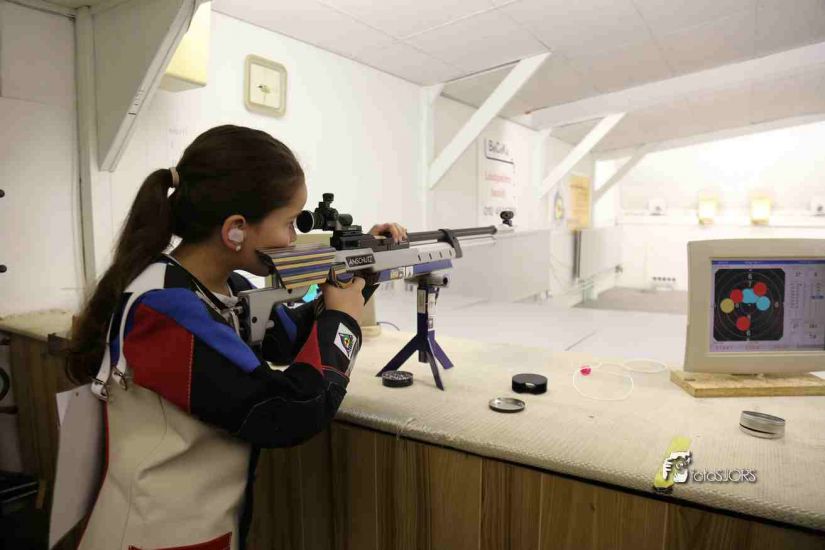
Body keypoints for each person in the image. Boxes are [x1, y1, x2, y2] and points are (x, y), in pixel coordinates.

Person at [66, 125, 407, 550]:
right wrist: (342, 320)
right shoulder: (164, 311)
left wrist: (361, 273)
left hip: (200, 526)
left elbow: (289, 339)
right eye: (289, 223)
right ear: (236, 230)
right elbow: (286, 410)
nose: (294, 239)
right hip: (155, 535)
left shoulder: (225, 287)